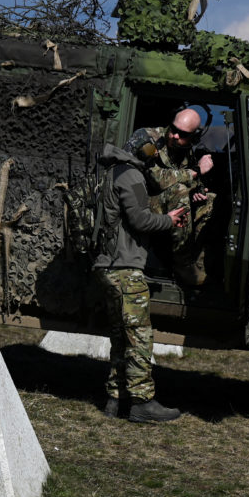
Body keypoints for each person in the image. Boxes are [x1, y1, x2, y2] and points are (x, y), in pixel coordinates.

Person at [94, 142, 188, 422]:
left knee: (122, 337)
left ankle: (115, 398)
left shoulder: (111, 172)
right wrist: (169, 221)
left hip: (108, 267)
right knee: (139, 337)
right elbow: (140, 219)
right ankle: (141, 402)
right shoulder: (131, 175)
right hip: (124, 267)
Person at [124, 107, 216, 285]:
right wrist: (196, 171)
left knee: (209, 200)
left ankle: (196, 258)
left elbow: (185, 179)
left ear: (192, 137)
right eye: (174, 129)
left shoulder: (186, 149)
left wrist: (197, 191)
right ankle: (182, 263)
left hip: (163, 202)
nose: (175, 136)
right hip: (137, 201)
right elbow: (157, 178)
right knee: (179, 191)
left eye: (182, 134)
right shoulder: (148, 139)